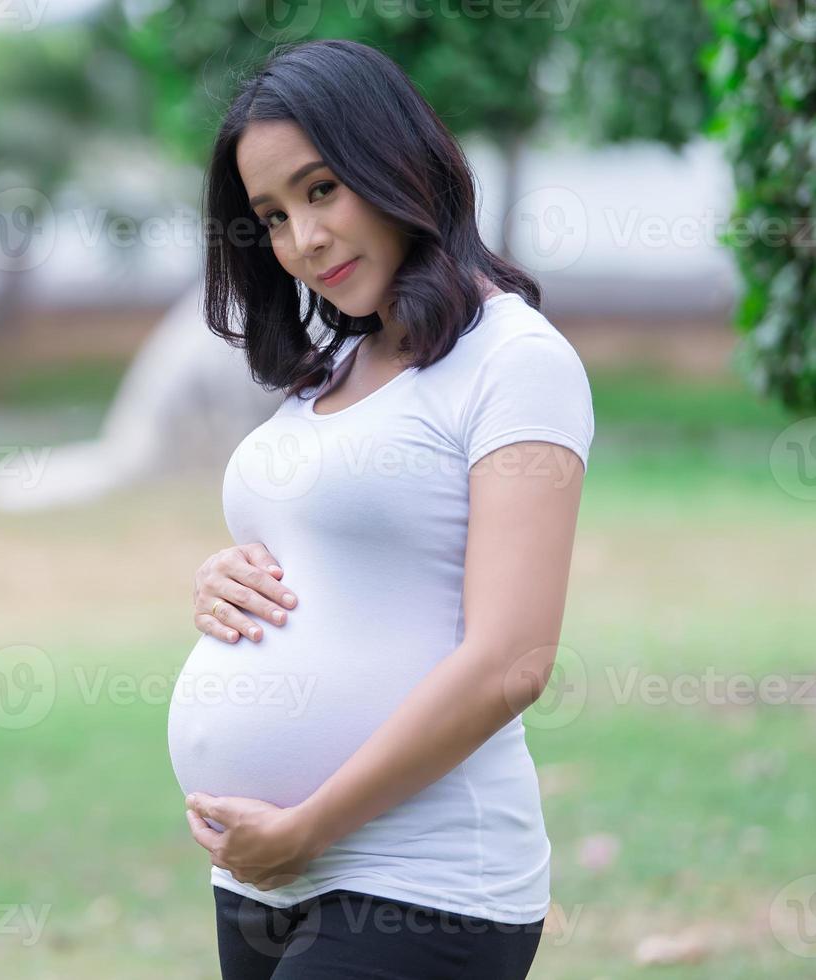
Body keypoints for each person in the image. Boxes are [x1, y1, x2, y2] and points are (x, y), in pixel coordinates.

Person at [166, 39, 595, 979]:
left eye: (322, 190)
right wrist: (223, 576)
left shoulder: (515, 362)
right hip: (261, 878)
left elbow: (512, 661)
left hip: (423, 882)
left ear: (396, 161)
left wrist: (307, 826)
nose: (302, 241)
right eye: (272, 216)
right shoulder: (338, 365)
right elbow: (347, 562)